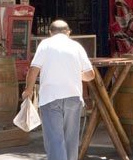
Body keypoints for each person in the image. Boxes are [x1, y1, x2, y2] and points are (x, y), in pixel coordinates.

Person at [22, 20, 95, 160]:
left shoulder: (45, 45)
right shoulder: (76, 46)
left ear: (50, 33)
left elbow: (33, 69)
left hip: (50, 97)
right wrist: (74, 74)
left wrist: (28, 90)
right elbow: (90, 75)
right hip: (73, 97)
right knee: (71, 140)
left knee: (55, 139)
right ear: (68, 32)